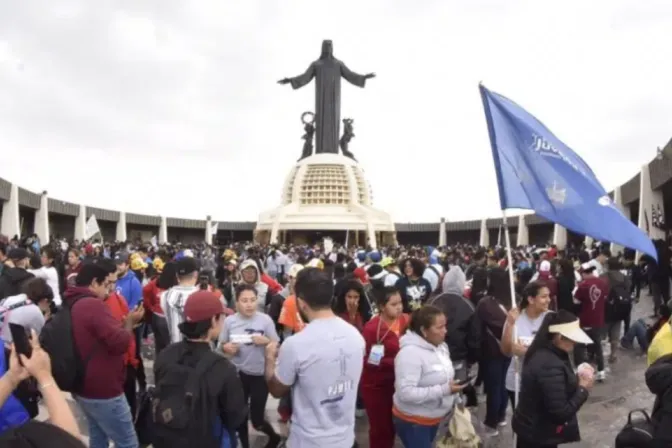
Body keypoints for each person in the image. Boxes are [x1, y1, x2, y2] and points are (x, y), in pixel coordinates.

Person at [264, 267, 365, 448]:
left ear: (301, 303)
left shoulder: (296, 344)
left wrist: (270, 360)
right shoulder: (356, 336)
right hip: (345, 440)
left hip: (308, 441)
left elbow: (276, 390)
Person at [154, 290, 247, 448]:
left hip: (167, 438)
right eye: (221, 316)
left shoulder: (165, 354)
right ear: (213, 321)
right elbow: (235, 417)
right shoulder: (223, 368)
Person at [512, 310, 595, 447]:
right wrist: (582, 389)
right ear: (558, 337)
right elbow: (561, 413)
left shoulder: (545, 352)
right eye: (571, 338)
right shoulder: (549, 364)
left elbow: (553, 388)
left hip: (534, 429)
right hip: (538, 435)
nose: (574, 343)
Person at [392, 305, 465, 448]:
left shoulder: (441, 347)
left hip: (435, 418)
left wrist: (456, 397)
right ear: (424, 331)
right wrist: (445, 390)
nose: (445, 331)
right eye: (439, 327)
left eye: (445, 326)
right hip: (415, 422)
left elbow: (446, 376)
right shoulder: (409, 355)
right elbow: (405, 393)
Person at [220, 284, 282, 448]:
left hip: (259, 375)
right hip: (237, 375)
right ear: (237, 303)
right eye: (244, 301)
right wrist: (225, 347)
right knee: (238, 415)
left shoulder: (265, 320)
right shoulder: (229, 321)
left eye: (253, 300)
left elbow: (277, 345)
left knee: (257, 419)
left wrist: (267, 341)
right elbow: (221, 344)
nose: (249, 304)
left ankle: (274, 437)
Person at [360, 285, 408, 448]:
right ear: (381, 306)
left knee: (394, 426)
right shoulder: (373, 329)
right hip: (377, 386)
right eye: (393, 304)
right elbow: (371, 361)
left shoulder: (406, 321)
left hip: (399, 383)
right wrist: (397, 361)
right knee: (381, 429)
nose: (399, 307)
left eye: (400, 302)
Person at [501, 281, 551, 409]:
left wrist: (527, 352)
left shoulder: (551, 318)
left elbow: (555, 352)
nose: (548, 300)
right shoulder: (515, 318)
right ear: (531, 299)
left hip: (544, 382)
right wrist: (510, 324)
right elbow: (506, 351)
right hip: (518, 381)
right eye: (544, 296)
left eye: (548, 296)